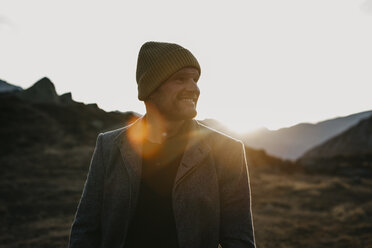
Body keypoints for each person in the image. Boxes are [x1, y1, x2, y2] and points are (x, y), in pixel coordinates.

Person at [69, 41, 256, 248]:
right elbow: (86, 229)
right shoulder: (110, 146)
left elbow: (239, 240)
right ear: (151, 88)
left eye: (195, 79)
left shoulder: (227, 151)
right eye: (181, 79)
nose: (194, 88)